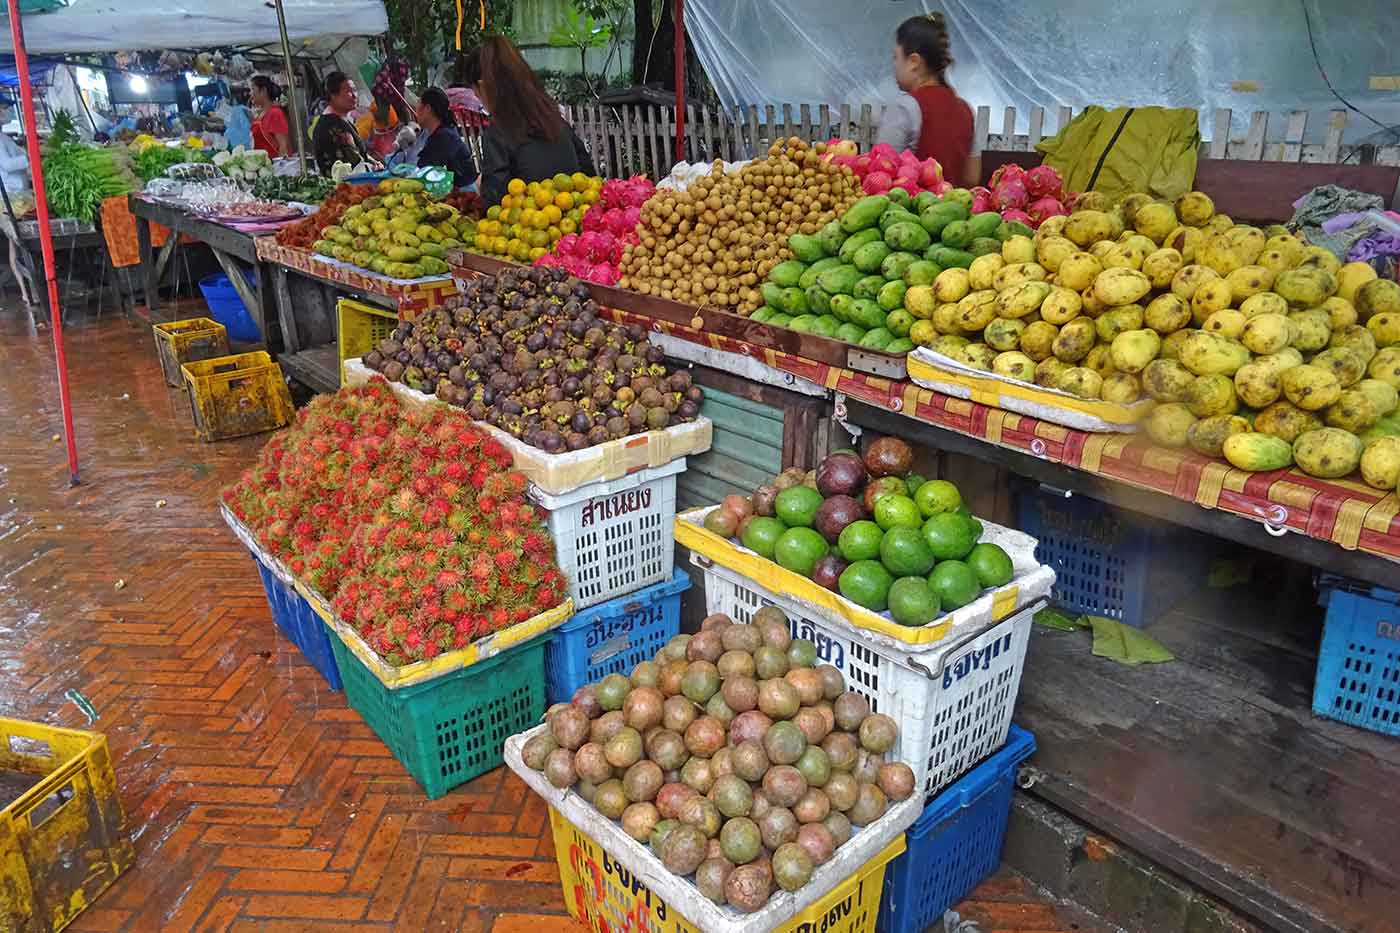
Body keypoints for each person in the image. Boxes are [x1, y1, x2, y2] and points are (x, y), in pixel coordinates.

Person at [460, 36, 595, 206]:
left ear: (483, 85)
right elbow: (589, 175)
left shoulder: (498, 134)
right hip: (581, 222)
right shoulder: (554, 119)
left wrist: (482, 187)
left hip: (531, 228)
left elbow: (494, 203)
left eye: (475, 92)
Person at [880, 12, 974, 186]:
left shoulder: (904, 107)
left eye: (896, 57)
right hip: (956, 210)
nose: (894, 65)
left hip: (911, 211)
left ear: (914, 61)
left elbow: (881, 173)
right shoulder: (965, 110)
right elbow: (972, 177)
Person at [311, 71, 376, 175]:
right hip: (345, 187)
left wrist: (374, 162)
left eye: (355, 90)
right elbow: (355, 164)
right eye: (349, 92)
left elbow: (360, 153)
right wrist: (375, 167)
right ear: (333, 95)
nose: (355, 95)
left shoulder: (340, 119)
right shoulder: (333, 126)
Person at [414, 87, 478, 190]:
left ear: (427, 109)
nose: (416, 110)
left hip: (463, 195)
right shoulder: (440, 132)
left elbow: (424, 170)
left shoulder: (444, 136)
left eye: (418, 103)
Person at [249, 75, 290, 157]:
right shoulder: (260, 114)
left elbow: (283, 147)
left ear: (263, 90)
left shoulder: (275, 113)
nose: (250, 93)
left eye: (253, 89)